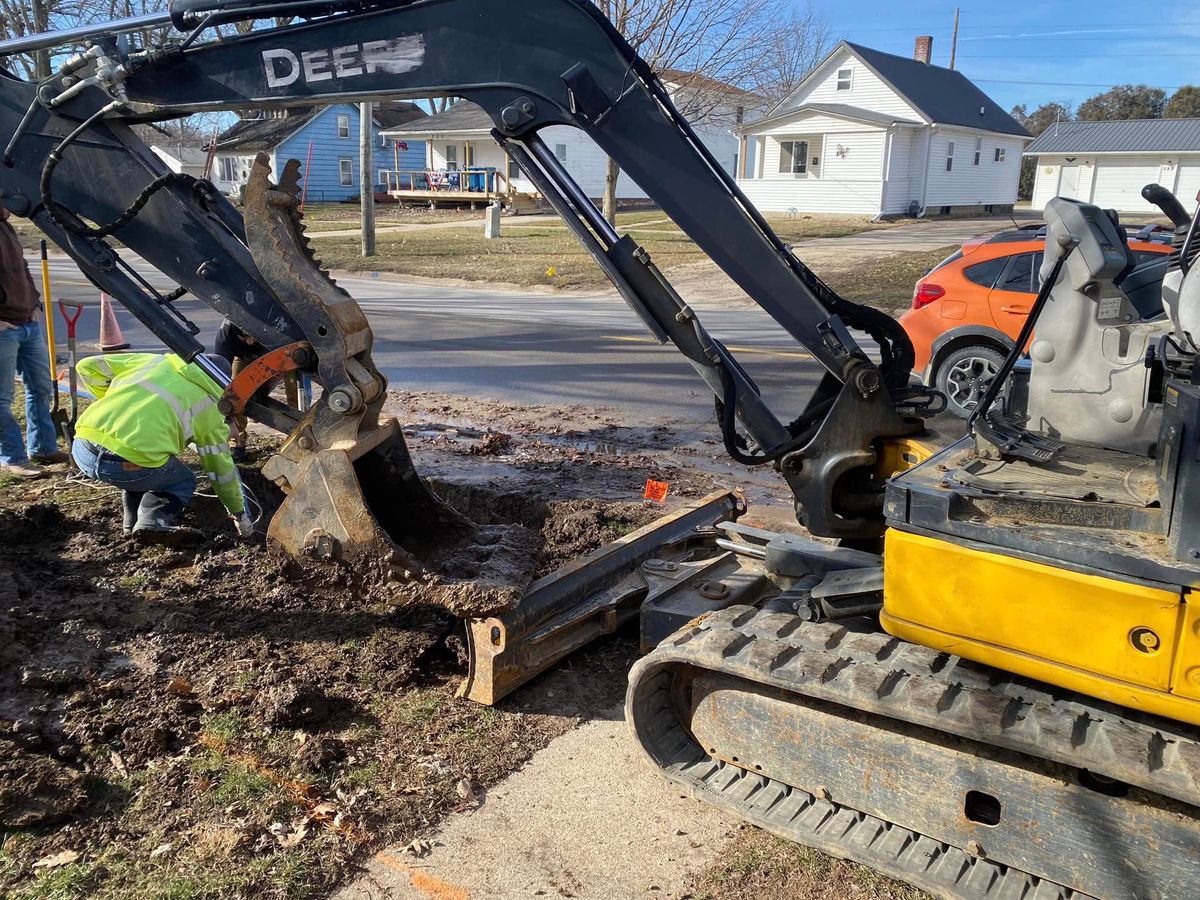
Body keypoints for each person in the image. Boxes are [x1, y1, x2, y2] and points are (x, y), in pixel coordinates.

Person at [70, 351, 254, 542]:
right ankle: (151, 521)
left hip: (82, 446)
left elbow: (87, 365)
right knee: (181, 480)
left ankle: (130, 524)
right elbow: (220, 471)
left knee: (148, 460)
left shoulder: (155, 361)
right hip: (127, 466)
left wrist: (112, 399)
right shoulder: (211, 408)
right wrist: (238, 513)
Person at [0, 206, 69, 477]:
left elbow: (23, 269)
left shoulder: (6, 226)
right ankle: (12, 457)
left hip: (27, 323)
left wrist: (35, 302)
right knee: (2, 399)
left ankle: (42, 447)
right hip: (3, 330)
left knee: (40, 388)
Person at [214, 318, 298, 461]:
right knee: (235, 393)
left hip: (277, 352)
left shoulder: (273, 325)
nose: (249, 342)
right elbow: (220, 374)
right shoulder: (226, 336)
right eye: (244, 337)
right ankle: (237, 440)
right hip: (242, 357)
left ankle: (296, 429)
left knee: (292, 386)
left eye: (252, 337)